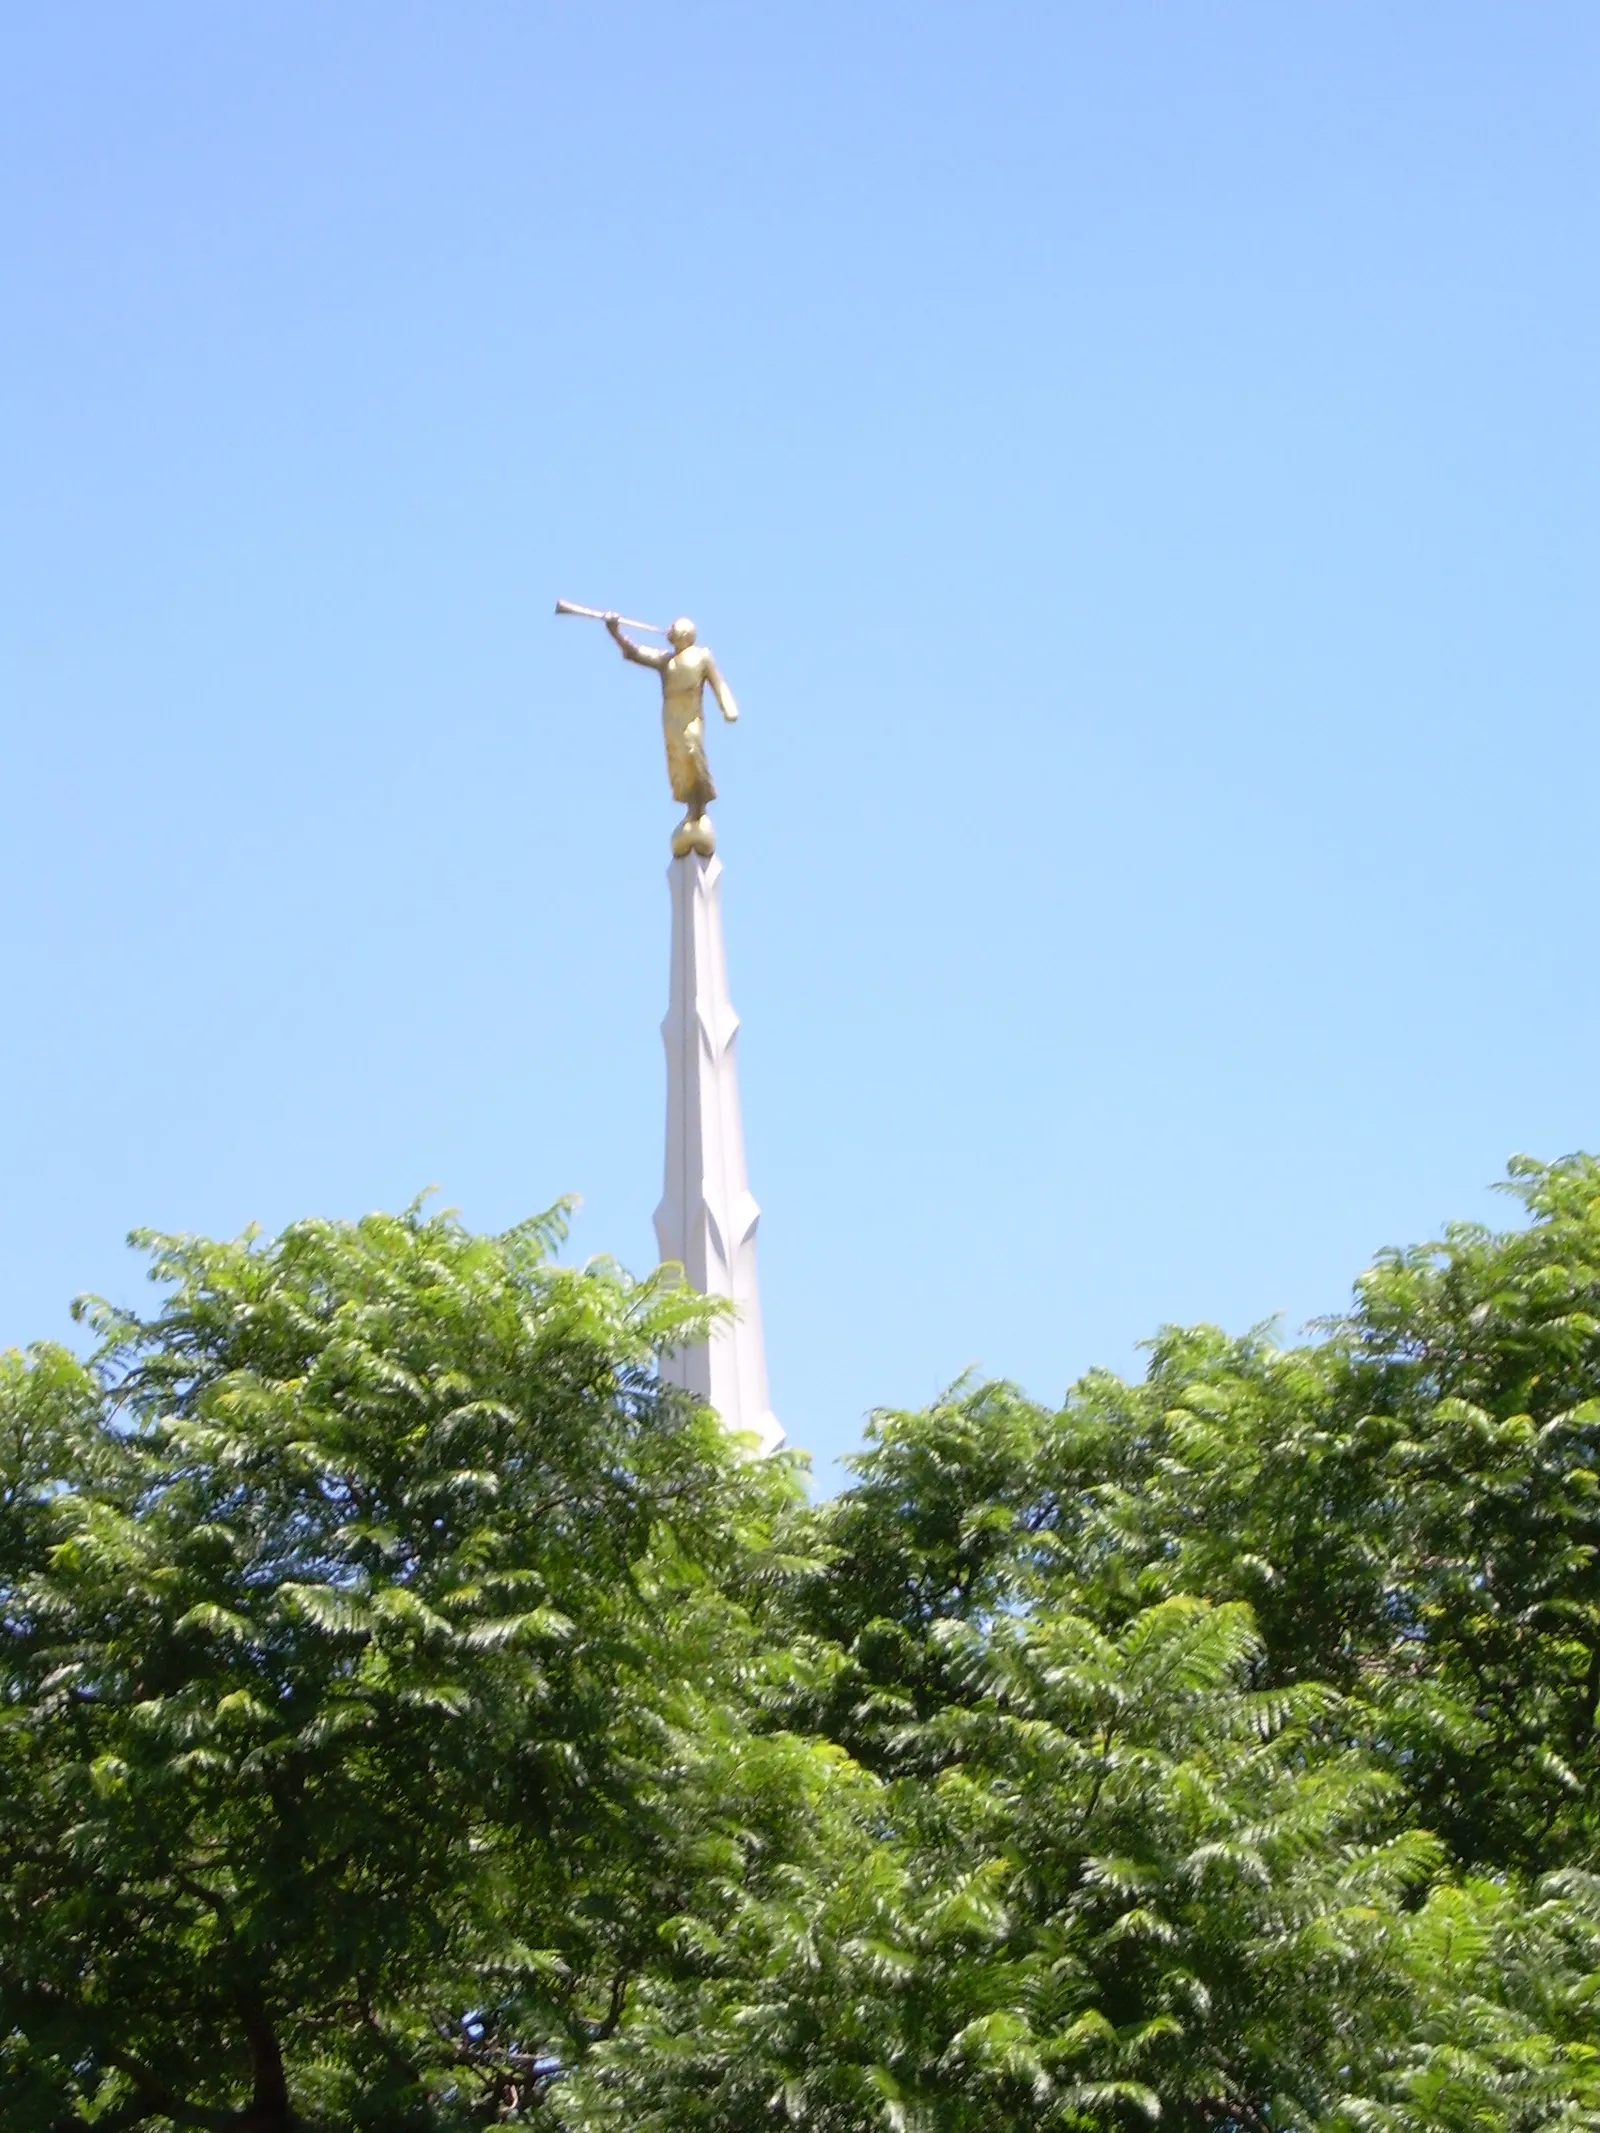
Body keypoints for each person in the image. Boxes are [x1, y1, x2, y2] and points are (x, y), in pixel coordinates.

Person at [606, 613, 739, 857]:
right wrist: (615, 632)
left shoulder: (701, 655)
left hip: (691, 714)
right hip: (671, 714)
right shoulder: (666, 660)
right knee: (678, 760)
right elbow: (634, 652)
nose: (670, 630)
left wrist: (728, 707)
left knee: (692, 751)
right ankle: (691, 809)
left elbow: (718, 683)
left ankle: (701, 806)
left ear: (687, 633)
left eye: (675, 628)